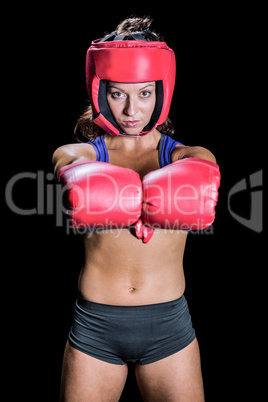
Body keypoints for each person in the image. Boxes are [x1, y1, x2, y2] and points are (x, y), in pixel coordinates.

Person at [53, 17, 220, 402]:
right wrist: (91, 183)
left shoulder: (184, 156)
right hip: (96, 327)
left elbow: (204, 165)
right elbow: (65, 160)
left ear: (161, 93)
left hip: (168, 328)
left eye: (144, 94)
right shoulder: (83, 153)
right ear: (100, 91)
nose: (132, 110)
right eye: (118, 94)